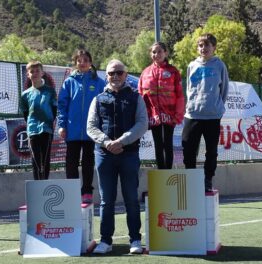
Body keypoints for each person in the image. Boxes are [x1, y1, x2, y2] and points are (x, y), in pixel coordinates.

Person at [87, 59, 148, 254]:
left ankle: (135, 240)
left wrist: (121, 141)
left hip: (129, 155)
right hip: (104, 156)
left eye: (119, 72)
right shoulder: (97, 99)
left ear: (126, 74)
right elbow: (91, 127)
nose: (115, 76)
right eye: (112, 73)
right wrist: (107, 142)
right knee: (107, 200)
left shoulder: (136, 98)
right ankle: (105, 241)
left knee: (131, 198)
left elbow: (142, 124)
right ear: (107, 75)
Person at [182, 33, 229, 192]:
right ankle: (191, 179)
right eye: (201, 46)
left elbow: (224, 90)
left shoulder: (219, 65)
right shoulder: (191, 65)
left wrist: (217, 107)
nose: (204, 48)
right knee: (188, 149)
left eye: (207, 45)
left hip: (212, 116)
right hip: (193, 115)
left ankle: (208, 179)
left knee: (211, 151)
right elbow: (189, 89)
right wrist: (192, 105)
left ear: (214, 47)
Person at [57, 49, 105, 203]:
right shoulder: (69, 82)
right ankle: (71, 192)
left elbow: (104, 104)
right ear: (75, 63)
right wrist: (62, 125)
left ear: (90, 63)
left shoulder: (98, 82)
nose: (82, 63)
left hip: (92, 130)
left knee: (88, 161)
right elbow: (62, 105)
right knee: (71, 161)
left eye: (85, 60)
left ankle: (87, 192)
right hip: (73, 130)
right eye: (79, 60)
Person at [138, 42, 185, 169]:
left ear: (166, 53)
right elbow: (141, 95)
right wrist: (144, 115)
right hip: (153, 115)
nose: (156, 54)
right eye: (154, 52)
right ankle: (161, 174)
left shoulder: (173, 71)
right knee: (158, 144)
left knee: (167, 143)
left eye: (159, 51)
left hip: (170, 114)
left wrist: (178, 114)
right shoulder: (145, 72)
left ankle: (168, 174)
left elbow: (180, 95)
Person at [20, 61, 57, 180]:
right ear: (28, 74)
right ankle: (37, 186)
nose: (35, 73)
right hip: (32, 130)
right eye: (32, 71)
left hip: (46, 129)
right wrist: (32, 124)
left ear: (42, 73)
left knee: (45, 160)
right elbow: (26, 113)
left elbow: (54, 109)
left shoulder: (50, 91)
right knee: (35, 160)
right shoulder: (25, 94)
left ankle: (44, 185)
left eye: (37, 71)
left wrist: (49, 122)